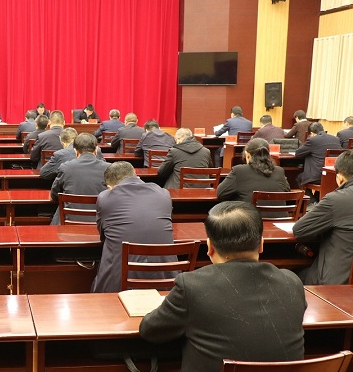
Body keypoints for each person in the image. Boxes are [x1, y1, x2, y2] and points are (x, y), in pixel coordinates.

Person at [139, 201, 305, 372]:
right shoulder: (292, 282)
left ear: (209, 247)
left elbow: (150, 330)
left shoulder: (191, 286)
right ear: (261, 244)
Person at [91, 161, 175, 292]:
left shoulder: (105, 197)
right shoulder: (164, 194)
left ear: (110, 187)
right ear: (136, 175)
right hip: (166, 281)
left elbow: (103, 235)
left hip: (119, 285)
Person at [293, 149, 353, 285]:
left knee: (291, 275)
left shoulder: (336, 200)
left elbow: (299, 230)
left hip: (335, 284)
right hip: (345, 279)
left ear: (340, 177)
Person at [50, 133, 109, 225]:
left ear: (75, 151)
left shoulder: (65, 167)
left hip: (69, 220)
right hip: (100, 222)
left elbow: (54, 195)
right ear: (96, 150)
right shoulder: (108, 168)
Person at [217, 138, 290, 203]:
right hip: (280, 214)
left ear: (247, 155)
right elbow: (287, 192)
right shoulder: (279, 171)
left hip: (250, 214)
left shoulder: (239, 171)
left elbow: (221, 193)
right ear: (268, 154)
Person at [295, 122, 341, 196]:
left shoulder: (313, 140)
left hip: (317, 176)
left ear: (312, 133)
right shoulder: (336, 139)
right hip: (333, 175)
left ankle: (310, 200)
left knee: (299, 178)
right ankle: (317, 199)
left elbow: (298, 153)